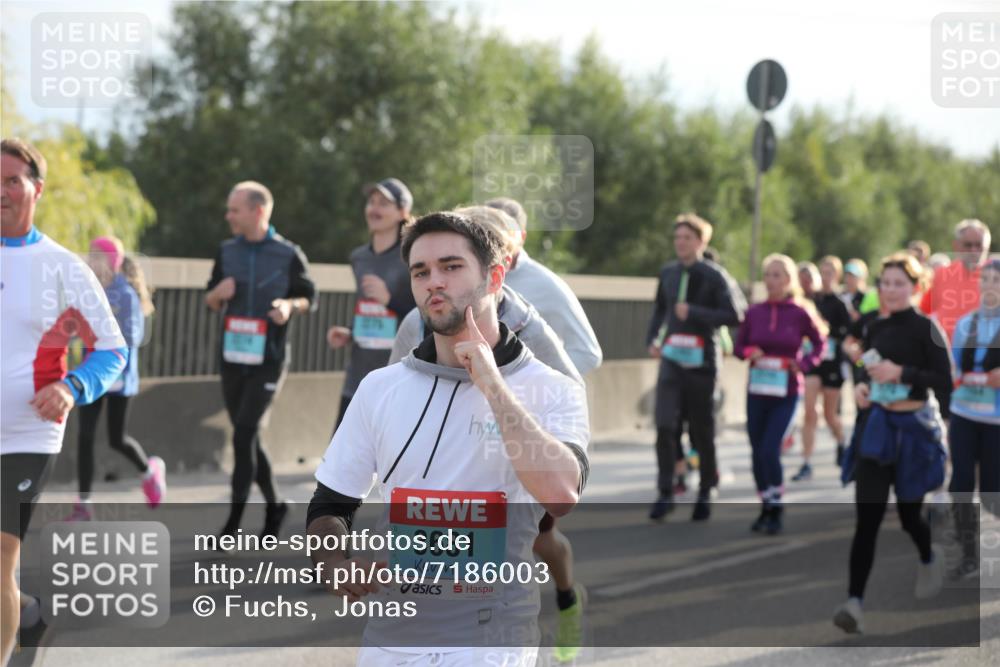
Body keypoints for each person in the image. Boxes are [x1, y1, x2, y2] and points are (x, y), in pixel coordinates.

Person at [307, 212, 589, 666]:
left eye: (451, 267)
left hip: (490, 636)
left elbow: (561, 494)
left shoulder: (552, 389)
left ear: (494, 277)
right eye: (421, 272)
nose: (433, 282)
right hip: (391, 635)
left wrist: (493, 384)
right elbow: (330, 503)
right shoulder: (381, 388)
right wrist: (335, 560)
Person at [1, 138, 127, 664]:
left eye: (11, 180)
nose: (1, 191)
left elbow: (112, 350)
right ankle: (27, 613)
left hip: (28, 434)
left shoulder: (62, 268)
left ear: (37, 189)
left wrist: (72, 387)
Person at [485, 197, 599, 660]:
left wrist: (531, 387)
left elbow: (587, 356)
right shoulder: (455, 280)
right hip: (470, 435)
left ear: (518, 241)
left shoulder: (542, 287)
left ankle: (567, 598)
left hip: (530, 433)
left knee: (535, 538)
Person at [834, 252, 952, 635]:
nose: (890, 290)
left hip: (913, 429)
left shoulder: (927, 327)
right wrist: (862, 387)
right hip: (876, 426)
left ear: (917, 288)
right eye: (885, 283)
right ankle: (854, 604)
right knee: (866, 519)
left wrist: (902, 372)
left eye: (899, 283)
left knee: (907, 515)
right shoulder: (871, 325)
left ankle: (927, 554)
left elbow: (944, 379)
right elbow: (860, 366)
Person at [205, 181, 316, 543]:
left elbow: (308, 297)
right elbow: (211, 298)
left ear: (258, 211)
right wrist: (216, 296)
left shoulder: (287, 254)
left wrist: (289, 306)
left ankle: (232, 526)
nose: (228, 216)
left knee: (243, 434)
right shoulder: (226, 251)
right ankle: (276, 506)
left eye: (234, 210)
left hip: (268, 360)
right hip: (233, 357)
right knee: (248, 435)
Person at [645, 214, 746, 521]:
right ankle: (666, 490)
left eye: (687, 238)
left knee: (701, 429)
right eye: (677, 238)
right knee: (664, 424)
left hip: (703, 361)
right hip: (673, 360)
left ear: (702, 242)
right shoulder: (668, 273)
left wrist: (696, 312)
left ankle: (706, 487)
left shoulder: (715, 276)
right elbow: (660, 310)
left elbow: (736, 315)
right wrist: (652, 339)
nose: (680, 243)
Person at [70, 237, 165, 521]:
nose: (89, 260)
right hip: (91, 375)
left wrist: (100, 332)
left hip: (119, 379)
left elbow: (133, 337)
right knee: (84, 437)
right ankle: (84, 505)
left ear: (111, 260)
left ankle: (149, 472)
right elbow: (73, 328)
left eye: (96, 255)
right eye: (89, 255)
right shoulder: (89, 290)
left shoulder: (125, 294)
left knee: (116, 439)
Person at [734, 254, 824, 535]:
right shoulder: (754, 311)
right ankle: (766, 503)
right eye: (768, 274)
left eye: (777, 275)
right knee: (756, 451)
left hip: (785, 391)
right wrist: (750, 352)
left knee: (771, 448)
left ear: (789, 280)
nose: (771, 280)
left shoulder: (799, 312)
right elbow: (739, 346)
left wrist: (805, 364)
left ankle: (776, 505)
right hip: (757, 390)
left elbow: (820, 343)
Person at [327, 178, 417, 432]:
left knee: (389, 459)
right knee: (340, 459)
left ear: (403, 212)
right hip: (359, 373)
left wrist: (390, 300)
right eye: (372, 201)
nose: (375, 208)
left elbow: (426, 312)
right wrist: (350, 331)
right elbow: (369, 309)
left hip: (399, 372)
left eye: (384, 203)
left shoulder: (413, 256)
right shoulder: (359, 257)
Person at [485, 197, 602, 376]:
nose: (493, 240)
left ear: (521, 237)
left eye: (502, 233)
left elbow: (587, 353)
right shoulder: (460, 276)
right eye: (485, 231)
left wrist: (534, 384)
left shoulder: (547, 285)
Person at [947, 257, 1000, 579]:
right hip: (964, 412)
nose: (989, 286)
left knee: (993, 492)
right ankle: (970, 554)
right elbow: (953, 365)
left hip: (996, 421)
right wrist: (956, 377)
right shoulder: (966, 322)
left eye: (996, 280)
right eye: (985, 280)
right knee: (961, 484)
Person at [795, 256, 850, 479]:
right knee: (809, 411)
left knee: (829, 415)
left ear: (836, 276)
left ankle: (840, 440)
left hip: (832, 363)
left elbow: (847, 333)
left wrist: (829, 330)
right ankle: (806, 461)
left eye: (830, 273)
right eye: (823, 272)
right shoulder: (811, 301)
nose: (825, 276)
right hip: (813, 362)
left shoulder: (839, 302)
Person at [920, 218, 992, 341]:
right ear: (956, 246)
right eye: (968, 245)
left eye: (979, 245)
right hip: (944, 351)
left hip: (981, 351)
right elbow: (925, 312)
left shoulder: (995, 277)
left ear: (987, 247)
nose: (973, 250)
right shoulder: (942, 274)